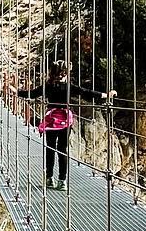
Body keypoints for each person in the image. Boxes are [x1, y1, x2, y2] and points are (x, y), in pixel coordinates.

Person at [20, 59, 93, 190]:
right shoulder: (69, 87)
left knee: (50, 148)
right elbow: (86, 92)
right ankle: (62, 181)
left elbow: (31, 94)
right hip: (65, 121)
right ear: (65, 74)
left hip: (51, 120)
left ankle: (49, 178)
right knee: (63, 150)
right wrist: (106, 95)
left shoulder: (48, 86)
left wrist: (15, 91)